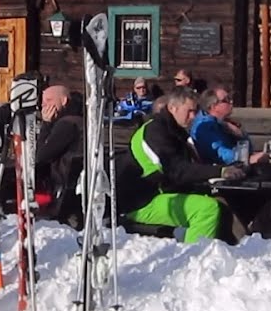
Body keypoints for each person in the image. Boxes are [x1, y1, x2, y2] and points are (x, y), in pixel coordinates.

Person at [114, 86, 244, 243]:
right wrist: (219, 171)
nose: (193, 116)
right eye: (189, 111)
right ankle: (194, 257)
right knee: (206, 210)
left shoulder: (175, 131)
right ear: (172, 108)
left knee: (221, 199)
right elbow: (177, 170)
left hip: (160, 192)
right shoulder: (155, 132)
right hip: (140, 200)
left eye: (195, 111)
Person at [36, 84, 85, 225]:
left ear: (63, 101)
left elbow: (41, 156)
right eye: (43, 102)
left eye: (49, 100)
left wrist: (46, 125)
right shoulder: (78, 119)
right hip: (71, 185)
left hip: (62, 188)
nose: (44, 106)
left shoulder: (67, 124)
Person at [191, 87, 258, 166]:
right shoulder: (205, 127)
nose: (231, 102)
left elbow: (247, 149)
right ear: (213, 106)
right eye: (226, 100)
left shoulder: (222, 123)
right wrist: (249, 159)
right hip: (218, 172)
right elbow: (222, 155)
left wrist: (240, 134)